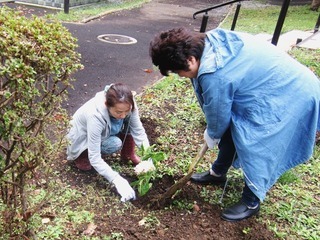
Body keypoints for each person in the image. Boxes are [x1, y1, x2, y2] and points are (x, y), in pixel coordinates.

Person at [149, 27, 320, 221]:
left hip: (292, 92)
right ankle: (218, 173)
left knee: (259, 142)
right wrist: (216, 131)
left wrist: (212, 134)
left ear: (190, 60)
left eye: (179, 71)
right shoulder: (204, 43)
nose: (180, 76)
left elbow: (218, 114)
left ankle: (251, 200)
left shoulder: (215, 73)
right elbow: (222, 115)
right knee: (234, 125)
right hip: (273, 83)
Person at [66, 83, 150, 202]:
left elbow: (138, 131)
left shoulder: (127, 104)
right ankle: (81, 155)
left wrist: (148, 157)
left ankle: (128, 153)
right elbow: (95, 158)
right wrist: (117, 179)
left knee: (129, 122)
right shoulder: (95, 116)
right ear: (107, 105)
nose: (123, 115)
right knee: (114, 143)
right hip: (81, 138)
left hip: (107, 129)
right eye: (119, 112)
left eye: (127, 111)